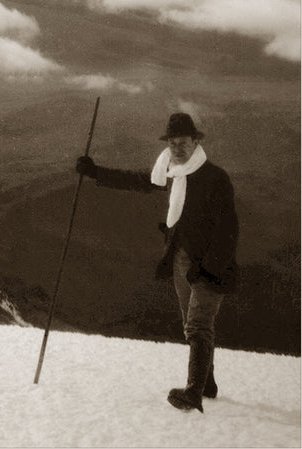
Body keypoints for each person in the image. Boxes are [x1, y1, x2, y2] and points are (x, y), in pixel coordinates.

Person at [76, 112, 238, 413]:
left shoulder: (215, 178)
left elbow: (228, 231)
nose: (177, 149)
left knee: (198, 325)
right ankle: (207, 383)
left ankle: (193, 393)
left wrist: (209, 269)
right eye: (173, 143)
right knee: (193, 325)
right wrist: (96, 172)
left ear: (196, 142)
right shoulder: (172, 173)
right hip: (180, 259)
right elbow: (138, 181)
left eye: (183, 143)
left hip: (209, 266)